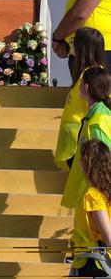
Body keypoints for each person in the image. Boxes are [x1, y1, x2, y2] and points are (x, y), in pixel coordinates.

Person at [55, 28, 105, 170]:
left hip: (79, 142)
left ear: (82, 47)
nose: (71, 46)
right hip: (72, 141)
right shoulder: (84, 74)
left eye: (74, 42)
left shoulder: (94, 75)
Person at [62, 67, 111, 210]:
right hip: (89, 195)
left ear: (86, 87)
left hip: (95, 200)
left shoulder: (98, 121)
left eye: (81, 82)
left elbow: (103, 164)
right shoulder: (94, 116)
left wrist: (98, 203)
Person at [69, 140, 111, 279]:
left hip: (97, 263)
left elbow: (108, 237)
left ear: (87, 164)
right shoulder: (105, 192)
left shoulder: (93, 195)